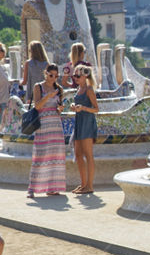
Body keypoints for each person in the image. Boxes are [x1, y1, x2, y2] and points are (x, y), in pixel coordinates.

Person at [27, 64, 66, 198]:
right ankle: (32, 188)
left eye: (56, 76)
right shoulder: (38, 86)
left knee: (55, 157)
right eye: (51, 75)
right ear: (45, 73)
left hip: (55, 124)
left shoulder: (59, 89)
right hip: (43, 124)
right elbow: (37, 106)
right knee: (40, 155)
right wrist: (48, 96)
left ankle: (52, 187)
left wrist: (60, 108)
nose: (53, 78)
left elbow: (59, 108)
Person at [72, 64, 99, 194]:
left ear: (85, 76)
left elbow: (96, 109)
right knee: (78, 154)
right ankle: (83, 184)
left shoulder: (89, 89)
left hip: (87, 123)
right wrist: (75, 106)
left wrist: (83, 108)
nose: (75, 78)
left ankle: (90, 186)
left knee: (88, 155)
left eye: (78, 76)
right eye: (75, 75)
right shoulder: (79, 89)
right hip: (79, 122)